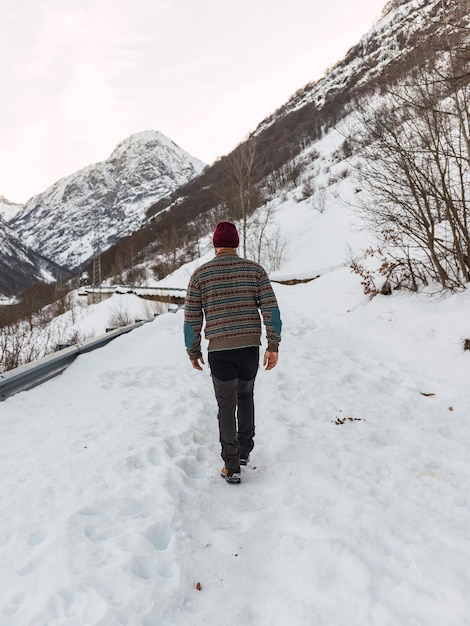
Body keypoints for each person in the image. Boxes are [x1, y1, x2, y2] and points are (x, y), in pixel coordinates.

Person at [184, 221, 282, 484]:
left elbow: (191, 318)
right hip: (249, 349)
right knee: (246, 396)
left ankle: (231, 464)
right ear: (236, 243)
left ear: (215, 244)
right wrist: (273, 345)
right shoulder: (255, 271)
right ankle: (244, 451)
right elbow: (271, 309)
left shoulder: (200, 275)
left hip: (220, 351)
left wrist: (192, 351)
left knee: (226, 405)